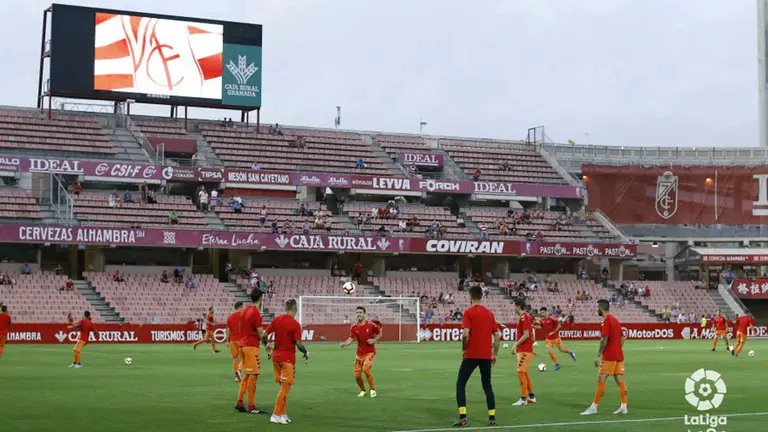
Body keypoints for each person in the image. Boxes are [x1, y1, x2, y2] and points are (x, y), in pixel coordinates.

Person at [452, 285, 499, 427]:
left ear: (470, 296)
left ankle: (463, 416)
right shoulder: (489, 314)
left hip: (471, 354)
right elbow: (497, 336)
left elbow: (466, 333)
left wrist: (463, 348)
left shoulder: (468, 312)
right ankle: (492, 418)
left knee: (461, 384)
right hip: (486, 356)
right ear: (482, 297)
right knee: (487, 386)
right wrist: (494, 354)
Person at [264, 299, 310, 425]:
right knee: (285, 388)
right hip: (287, 359)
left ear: (285, 308)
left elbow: (264, 335)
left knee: (282, 388)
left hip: (276, 358)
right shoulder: (295, 324)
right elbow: (298, 344)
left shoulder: (276, 320)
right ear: (295, 308)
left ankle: (283, 414)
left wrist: (266, 345)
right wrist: (306, 352)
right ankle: (275, 414)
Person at [581, 299, 628, 415]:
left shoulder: (606, 321)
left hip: (609, 356)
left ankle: (594, 407)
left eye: (598, 308)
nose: (597, 310)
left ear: (601, 308)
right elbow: (622, 338)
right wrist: (617, 348)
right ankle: (624, 406)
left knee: (601, 379)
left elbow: (604, 339)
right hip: (619, 356)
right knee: (619, 380)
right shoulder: (615, 320)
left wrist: (598, 356)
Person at [235, 289, 269, 414]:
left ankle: (240, 402)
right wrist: (267, 344)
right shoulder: (256, 313)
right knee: (253, 375)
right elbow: (260, 333)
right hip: (251, 346)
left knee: (247, 375)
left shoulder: (244, 311)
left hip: (242, 346)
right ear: (261, 298)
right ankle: (251, 406)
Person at [340, 306, 382, 397]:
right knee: (357, 376)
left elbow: (380, 334)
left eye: (360, 312)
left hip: (370, 352)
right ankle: (363, 390)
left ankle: (372, 389)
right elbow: (350, 339)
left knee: (366, 369)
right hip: (359, 354)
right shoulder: (354, 327)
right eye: (357, 313)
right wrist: (345, 344)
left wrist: (374, 340)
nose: (358, 314)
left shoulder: (371, 325)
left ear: (364, 314)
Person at [512, 298, 535, 406]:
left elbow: (526, 334)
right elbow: (531, 335)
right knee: (524, 373)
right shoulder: (525, 317)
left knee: (521, 373)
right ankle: (531, 397)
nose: (513, 309)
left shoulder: (524, 317)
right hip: (524, 349)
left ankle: (522, 399)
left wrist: (515, 344)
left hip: (525, 349)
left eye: (514, 306)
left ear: (518, 306)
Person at [536, 307, 576, 371]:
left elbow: (559, 325)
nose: (542, 314)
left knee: (561, 350)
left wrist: (553, 332)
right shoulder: (542, 320)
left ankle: (571, 353)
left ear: (546, 312)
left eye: (543, 312)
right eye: (541, 313)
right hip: (548, 339)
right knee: (549, 351)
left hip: (555, 337)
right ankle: (557, 364)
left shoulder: (552, 318)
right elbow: (541, 327)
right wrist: (533, 326)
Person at [226, 302, 245, 383]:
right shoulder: (244, 316)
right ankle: (239, 372)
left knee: (235, 358)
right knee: (245, 359)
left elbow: (228, 330)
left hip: (233, 341)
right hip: (242, 340)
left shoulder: (230, 317)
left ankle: (236, 376)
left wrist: (227, 341)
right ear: (240, 307)